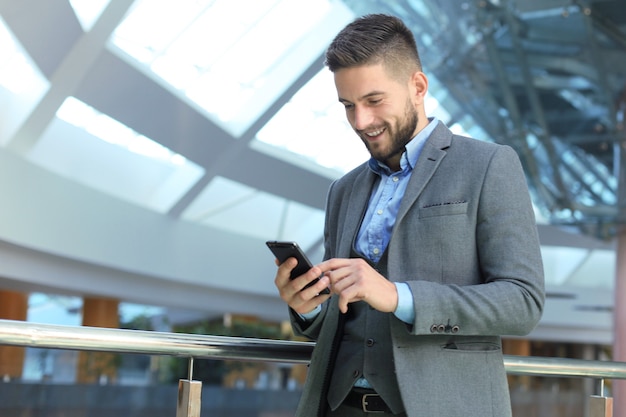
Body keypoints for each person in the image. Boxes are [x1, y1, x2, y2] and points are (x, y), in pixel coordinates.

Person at [273, 13, 544, 417]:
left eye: (374, 101)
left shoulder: (488, 165)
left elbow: (523, 302)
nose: (361, 121)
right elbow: (342, 318)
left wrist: (400, 296)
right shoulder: (343, 190)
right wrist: (308, 305)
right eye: (348, 105)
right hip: (338, 406)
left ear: (417, 86)